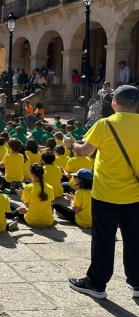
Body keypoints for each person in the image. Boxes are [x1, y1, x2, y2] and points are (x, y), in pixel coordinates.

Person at [63, 85, 139, 300]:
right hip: (135, 194)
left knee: (104, 239)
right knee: (134, 240)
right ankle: (137, 283)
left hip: (106, 193)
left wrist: (71, 144)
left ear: (114, 103)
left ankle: (96, 283)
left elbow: (85, 150)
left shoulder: (104, 124)